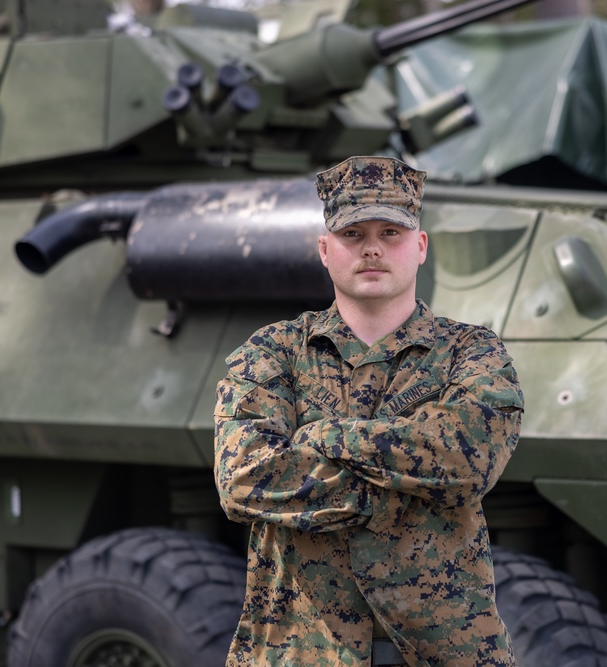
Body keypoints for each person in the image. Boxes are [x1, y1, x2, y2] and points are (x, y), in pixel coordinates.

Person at [214, 155, 524, 667]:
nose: (373, 247)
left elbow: (468, 460)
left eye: (391, 232)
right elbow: (243, 476)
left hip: (446, 650)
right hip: (301, 652)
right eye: (353, 233)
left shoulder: (473, 353)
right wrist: (408, 492)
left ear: (420, 246)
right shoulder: (273, 352)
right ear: (325, 250)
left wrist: (322, 438)